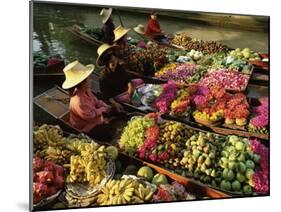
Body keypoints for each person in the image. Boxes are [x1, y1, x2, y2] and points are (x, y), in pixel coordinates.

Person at [62, 60, 114, 140]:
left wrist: (104, 105)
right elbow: (90, 117)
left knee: (112, 109)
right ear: (82, 82)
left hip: (93, 115)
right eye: (89, 78)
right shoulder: (79, 101)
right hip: (84, 125)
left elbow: (96, 101)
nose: (91, 79)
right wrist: (103, 109)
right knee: (107, 134)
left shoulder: (86, 90)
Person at [96, 43, 144, 111]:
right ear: (106, 63)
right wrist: (115, 103)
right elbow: (106, 94)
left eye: (114, 60)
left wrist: (130, 86)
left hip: (125, 88)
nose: (114, 63)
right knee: (127, 98)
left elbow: (127, 78)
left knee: (140, 81)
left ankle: (135, 95)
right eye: (111, 62)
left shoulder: (119, 67)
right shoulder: (103, 76)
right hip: (117, 95)